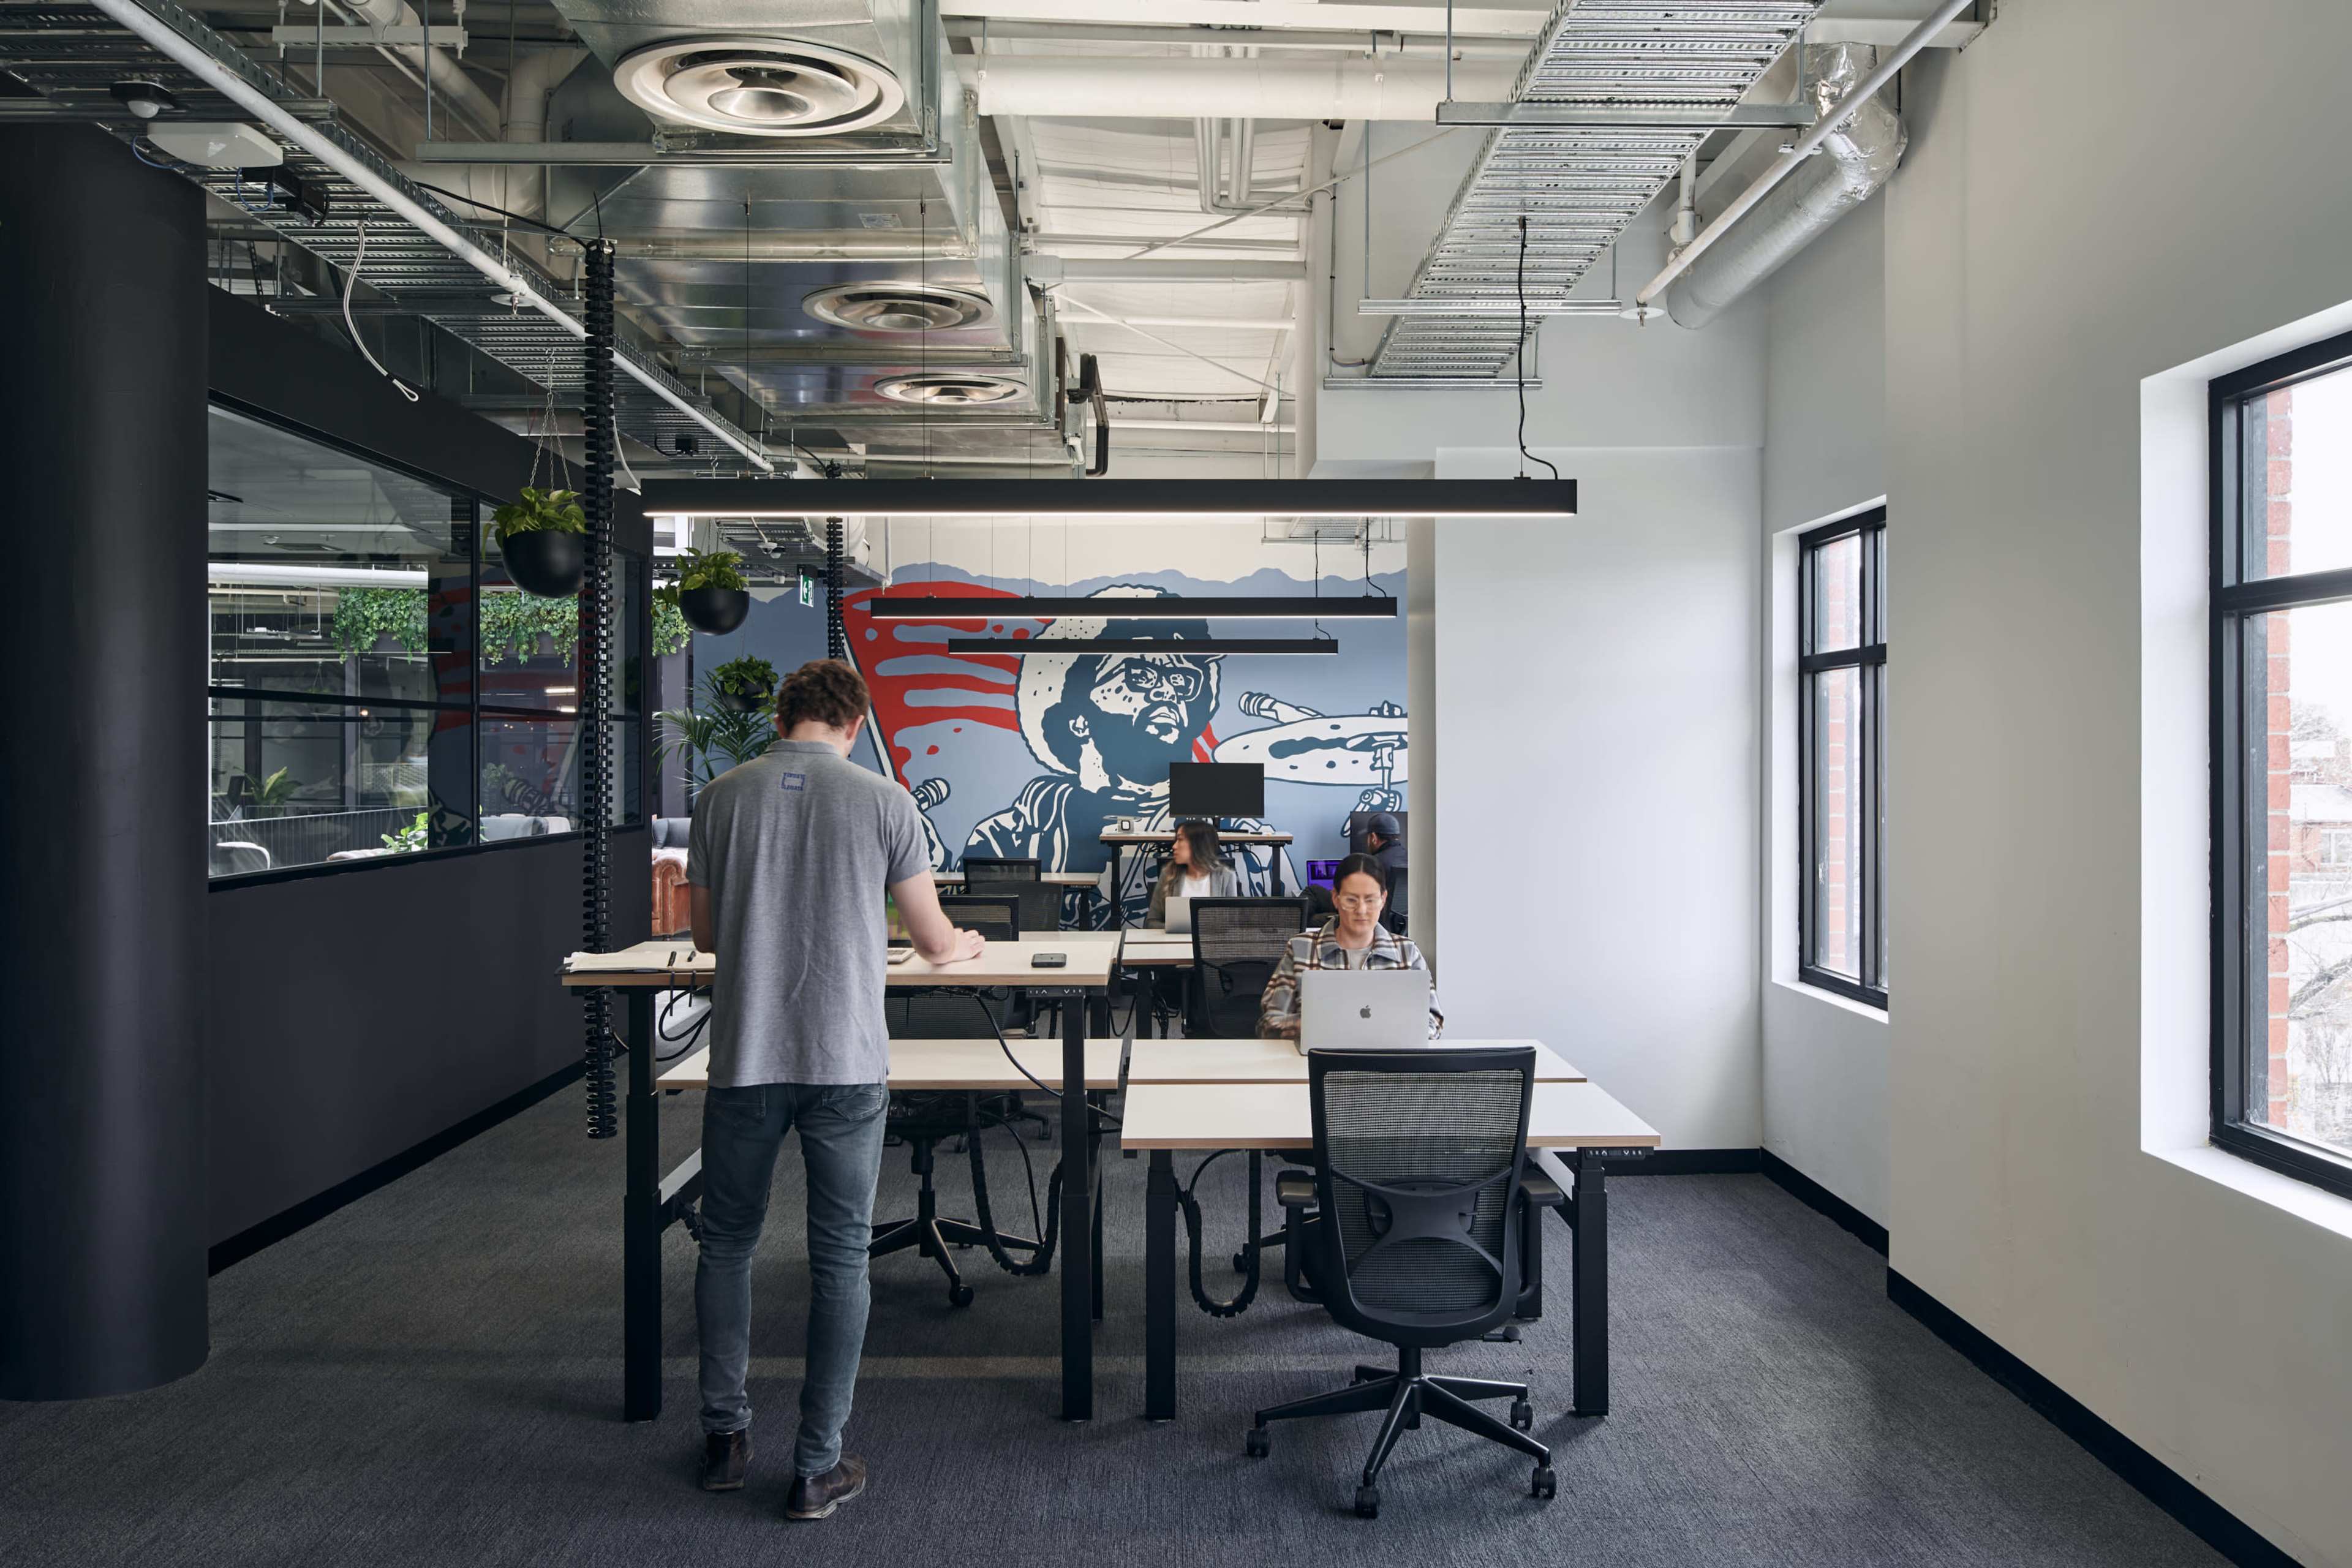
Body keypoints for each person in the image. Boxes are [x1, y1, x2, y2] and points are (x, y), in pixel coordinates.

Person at [687, 658, 985, 1520]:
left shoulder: (721, 798)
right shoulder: (887, 802)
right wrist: (960, 946)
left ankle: (723, 1438)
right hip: (845, 1063)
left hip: (745, 1057)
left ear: (783, 716)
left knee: (727, 1245)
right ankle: (817, 1467)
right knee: (840, 1255)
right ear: (854, 724)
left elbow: (706, 936)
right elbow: (931, 943)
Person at [1258, 853, 1442, 1041]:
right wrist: (1308, 1025)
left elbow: (1433, 1022)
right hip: (1316, 1065)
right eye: (1351, 900)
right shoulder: (1301, 950)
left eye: (1370, 900)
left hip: (1388, 1065)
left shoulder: (1407, 953)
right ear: (1336, 899)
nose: (1361, 910)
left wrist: (1397, 1031)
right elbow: (1269, 1025)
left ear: (1383, 899)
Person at [1146, 818, 1240, 928]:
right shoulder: (1168, 874)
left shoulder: (1226, 877)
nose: (1174, 846)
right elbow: (1151, 922)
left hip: (1211, 943)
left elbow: (1234, 925)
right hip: (1173, 943)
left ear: (1198, 844)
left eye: (1180, 840)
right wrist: (1173, 929)